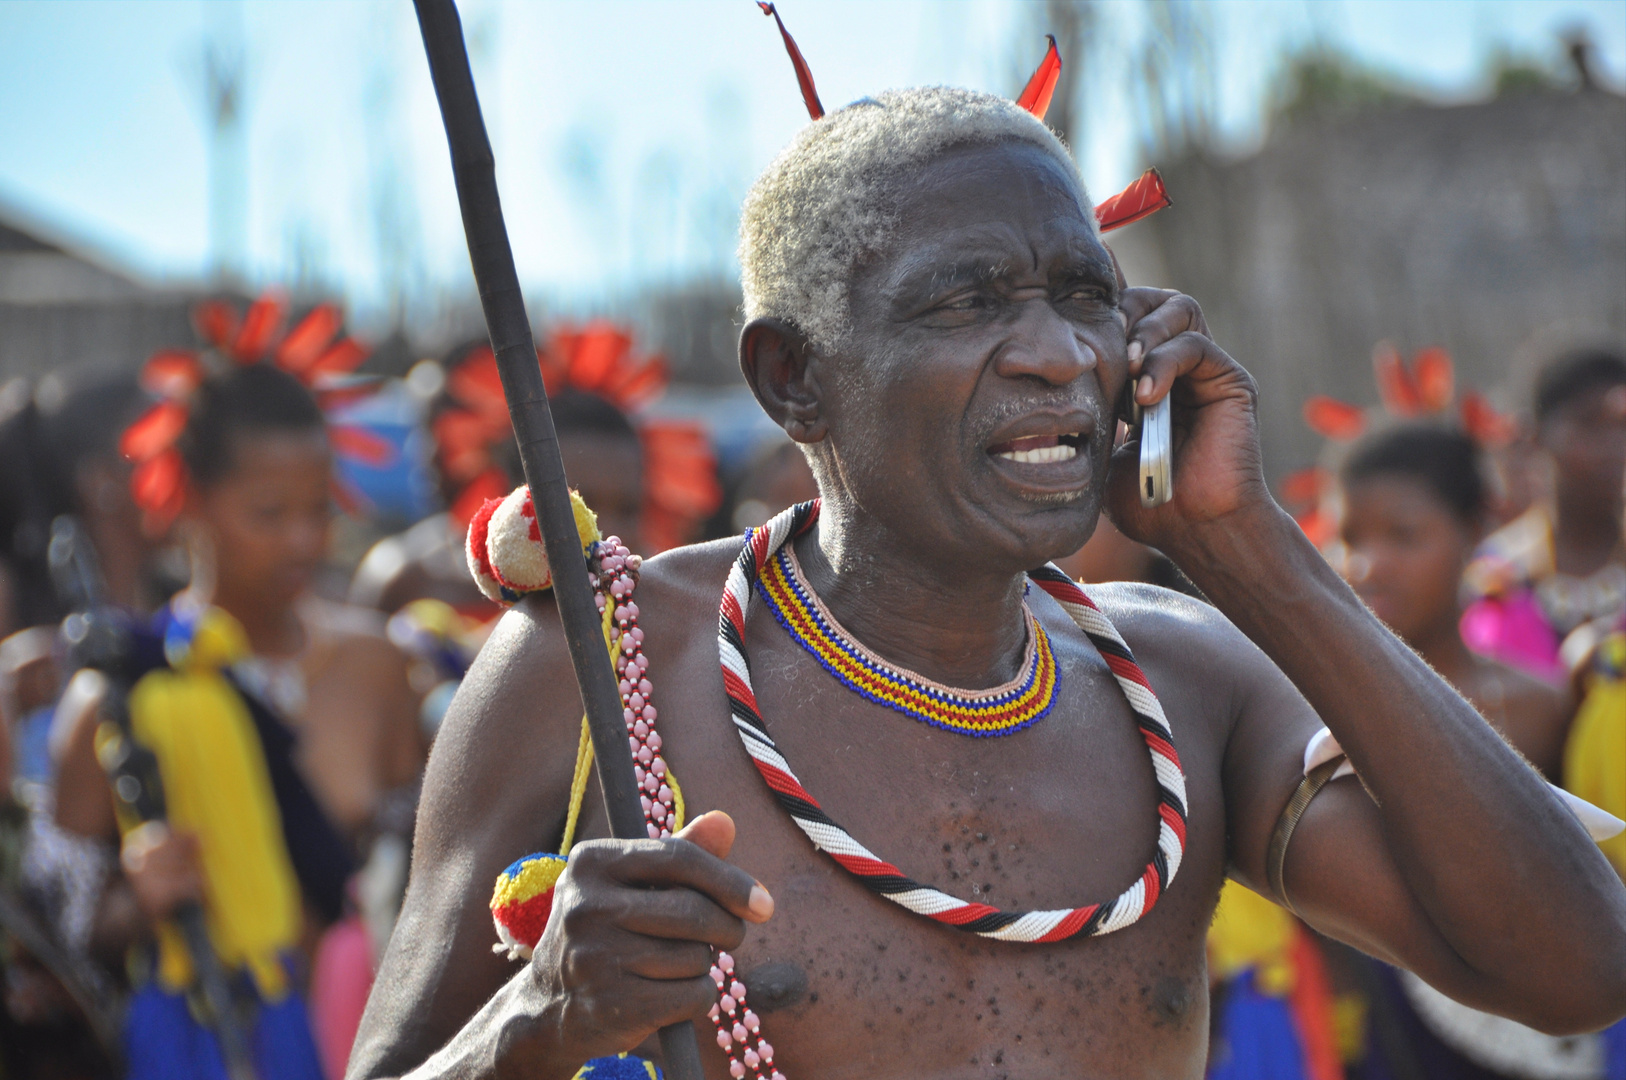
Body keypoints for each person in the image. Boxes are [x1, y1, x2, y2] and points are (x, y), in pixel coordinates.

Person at [350, 86, 1626, 1080]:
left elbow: (1575, 969)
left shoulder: (1186, 681)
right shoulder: (601, 663)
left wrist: (1250, 552)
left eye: (1087, 296)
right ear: (792, 376)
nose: (1062, 355)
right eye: (970, 303)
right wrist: (533, 1028)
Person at [52, 329, 424, 1078]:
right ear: (188, 498)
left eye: (318, 511)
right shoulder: (120, 694)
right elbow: (55, 957)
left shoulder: (378, 667)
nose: (301, 540)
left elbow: (430, 890)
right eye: (267, 512)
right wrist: (139, 899)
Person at [1462, 348, 1626, 681]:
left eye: (1623, 425)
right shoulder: (1496, 570)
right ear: (1536, 435)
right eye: (1590, 424)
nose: (1615, 444)